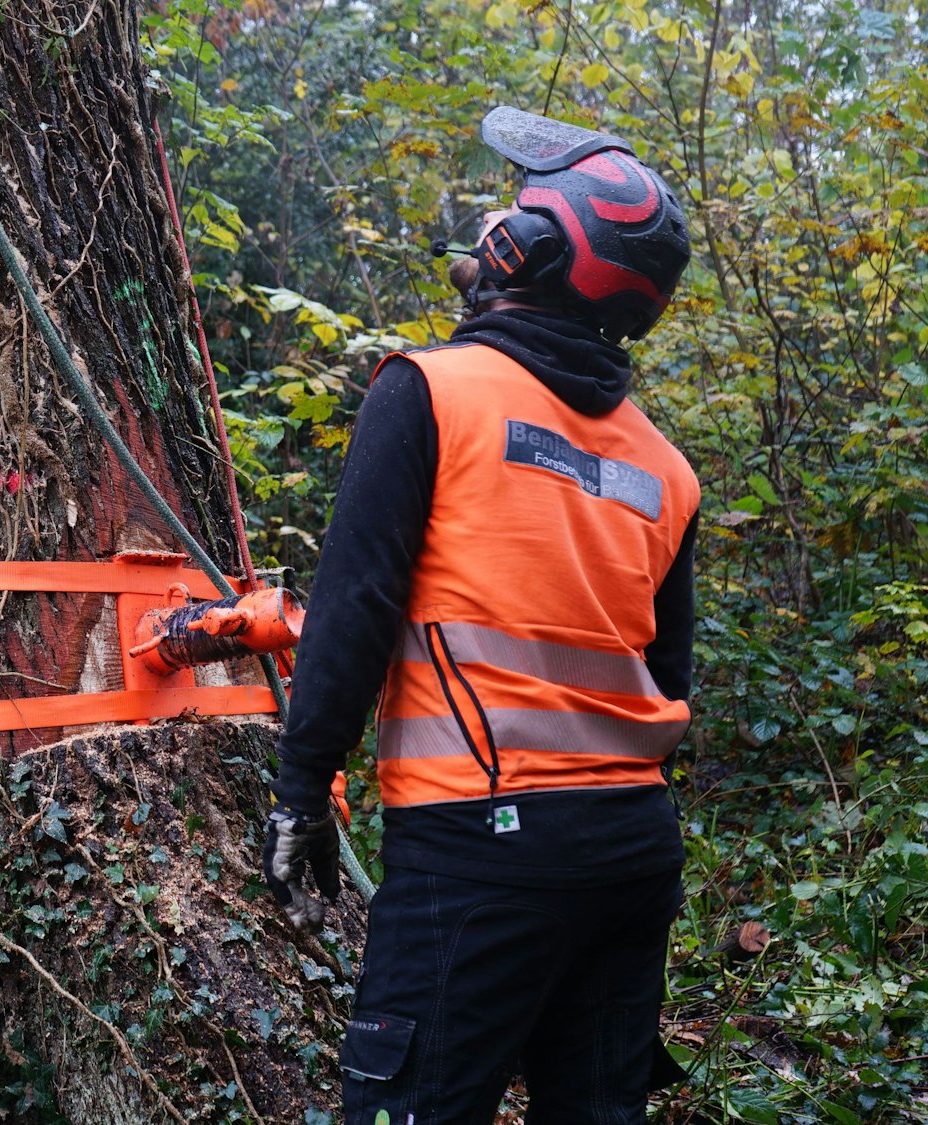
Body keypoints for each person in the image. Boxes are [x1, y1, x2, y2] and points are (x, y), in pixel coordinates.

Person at [259, 107, 700, 1124]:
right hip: (631, 847)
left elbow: (355, 603)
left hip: (477, 843)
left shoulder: (430, 392)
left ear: (527, 249)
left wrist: (300, 785)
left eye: (514, 209)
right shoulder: (662, 469)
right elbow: (666, 681)